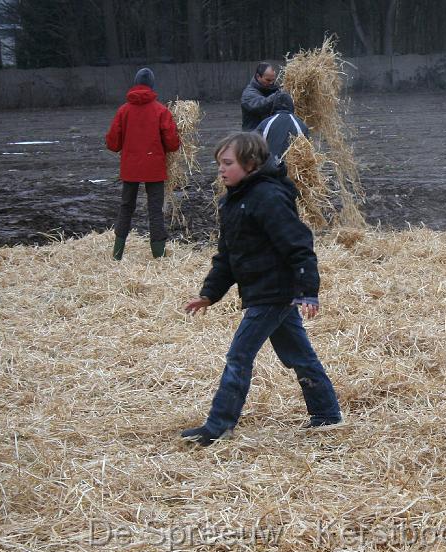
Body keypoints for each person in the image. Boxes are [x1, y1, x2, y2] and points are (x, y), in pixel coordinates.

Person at [181, 131, 342, 446]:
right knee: (299, 355)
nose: (221, 170)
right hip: (261, 291)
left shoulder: (268, 196)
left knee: (239, 356)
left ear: (251, 163)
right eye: (219, 164)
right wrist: (209, 294)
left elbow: (299, 244)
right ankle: (327, 415)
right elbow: (227, 256)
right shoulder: (233, 202)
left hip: (275, 292)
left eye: (227, 163)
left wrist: (308, 289)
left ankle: (219, 426)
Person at [105, 67, 180, 260]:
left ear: (135, 84)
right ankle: (159, 256)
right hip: (154, 168)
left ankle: (117, 254)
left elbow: (113, 144)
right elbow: (172, 144)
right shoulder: (161, 111)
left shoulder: (123, 111)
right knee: (155, 210)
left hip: (130, 167)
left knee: (126, 207)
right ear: (152, 86)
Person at [256, 91, 310, 160]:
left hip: (268, 167)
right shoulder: (300, 124)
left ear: (274, 105)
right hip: (292, 167)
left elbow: (254, 147)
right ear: (291, 105)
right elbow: (307, 152)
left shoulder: (266, 123)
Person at [241, 62, 280, 131]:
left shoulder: (271, 89)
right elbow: (261, 105)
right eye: (268, 80)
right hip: (252, 136)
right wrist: (279, 95)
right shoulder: (248, 93)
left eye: (273, 80)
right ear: (258, 76)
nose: (271, 83)